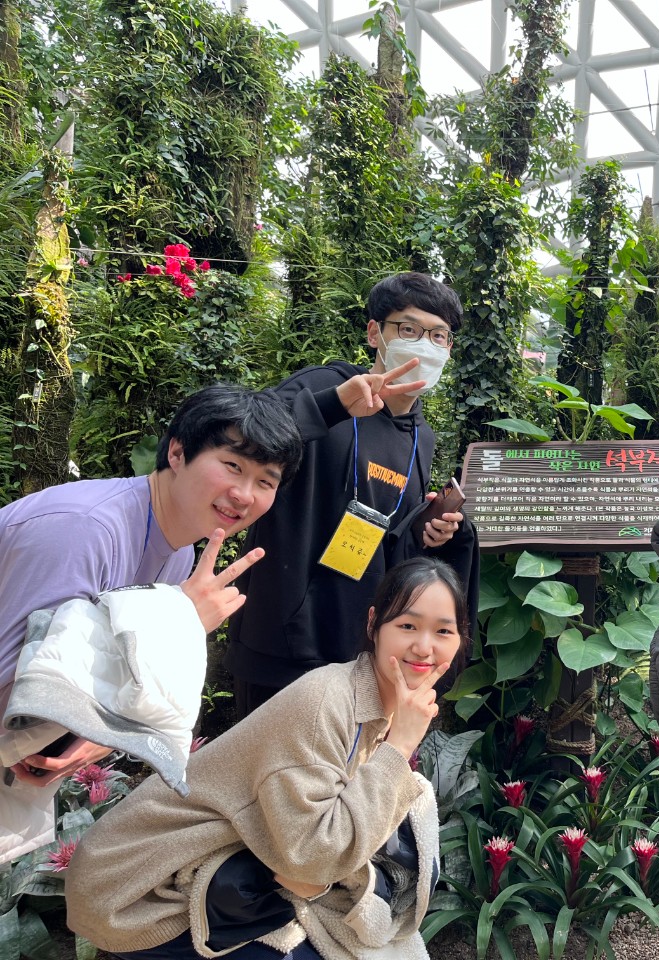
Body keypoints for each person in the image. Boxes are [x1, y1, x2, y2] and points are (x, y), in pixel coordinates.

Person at [65, 557, 464, 960]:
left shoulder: (384, 705)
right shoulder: (325, 701)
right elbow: (313, 860)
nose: (423, 647)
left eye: (443, 631)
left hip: (221, 872)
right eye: (407, 626)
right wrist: (400, 746)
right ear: (374, 623)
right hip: (132, 892)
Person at [0, 384, 303, 861]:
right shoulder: (83, 531)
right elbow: (15, 692)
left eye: (266, 481)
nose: (244, 494)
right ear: (177, 452)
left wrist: (92, 741)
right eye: (232, 466)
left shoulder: (180, 552)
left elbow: (104, 686)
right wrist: (175, 627)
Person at [226, 273, 475, 718]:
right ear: (375, 332)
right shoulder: (326, 386)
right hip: (284, 640)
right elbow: (243, 438)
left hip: (360, 645)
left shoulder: (421, 436)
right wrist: (334, 406)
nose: (425, 345)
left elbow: (392, 528)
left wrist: (428, 528)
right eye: (409, 329)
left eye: (439, 336)